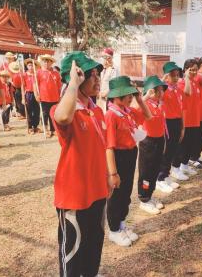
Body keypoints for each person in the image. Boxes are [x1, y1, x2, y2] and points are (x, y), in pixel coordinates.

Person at [51, 51, 107, 276]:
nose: (97, 79)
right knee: (72, 250)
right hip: (74, 195)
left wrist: (108, 176)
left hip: (97, 191)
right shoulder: (65, 111)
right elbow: (63, 117)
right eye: (91, 75)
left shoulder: (95, 111)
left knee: (94, 244)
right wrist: (73, 82)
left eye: (97, 74)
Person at [105, 76, 151, 247]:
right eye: (128, 94)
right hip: (118, 156)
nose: (131, 97)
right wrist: (113, 173)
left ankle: (121, 223)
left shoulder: (127, 111)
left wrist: (140, 98)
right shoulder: (111, 115)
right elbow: (108, 146)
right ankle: (114, 230)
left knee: (126, 193)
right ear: (116, 97)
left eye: (132, 94)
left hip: (131, 153)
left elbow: (147, 115)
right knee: (116, 194)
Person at [138, 75, 168, 214]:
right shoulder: (146, 104)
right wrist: (145, 97)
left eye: (162, 90)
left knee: (155, 169)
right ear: (152, 91)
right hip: (148, 142)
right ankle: (143, 198)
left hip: (159, 141)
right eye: (159, 90)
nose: (162, 93)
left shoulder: (159, 104)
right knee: (146, 171)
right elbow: (135, 110)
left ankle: (150, 195)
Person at [157, 62, 185, 192]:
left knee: (173, 150)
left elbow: (181, 108)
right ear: (166, 76)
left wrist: (183, 127)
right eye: (172, 75)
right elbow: (157, 98)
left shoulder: (178, 89)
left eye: (177, 74)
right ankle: (160, 178)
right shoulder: (163, 89)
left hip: (177, 122)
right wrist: (162, 81)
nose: (175, 77)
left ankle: (166, 175)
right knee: (166, 151)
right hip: (167, 122)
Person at [171, 59, 201, 178]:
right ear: (185, 70)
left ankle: (184, 165)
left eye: (195, 70)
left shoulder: (195, 82)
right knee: (181, 146)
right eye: (191, 69)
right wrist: (187, 77)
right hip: (185, 119)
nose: (194, 72)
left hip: (194, 119)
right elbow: (187, 93)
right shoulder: (182, 82)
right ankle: (176, 168)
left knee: (190, 144)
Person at [36, 54, 61, 138]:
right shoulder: (38, 72)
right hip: (44, 98)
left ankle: (53, 130)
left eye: (48, 61)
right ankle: (45, 128)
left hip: (55, 98)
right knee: (44, 114)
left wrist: (60, 97)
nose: (46, 63)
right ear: (42, 62)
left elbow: (59, 86)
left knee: (53, 114)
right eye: (44, 61)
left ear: (51, 63)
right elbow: (34, 85)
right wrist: (36, 95)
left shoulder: (56, 73)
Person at [97, 48, 117, 112]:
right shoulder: (103, 68)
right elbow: (101, 80)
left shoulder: (114, 68)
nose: (105, 59)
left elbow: (113, 83)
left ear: (111, 57)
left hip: (109, 94)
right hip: (102, 94)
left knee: (107, 111)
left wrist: (106, 93)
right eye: (104, 57)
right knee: (102, 111)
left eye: (107, 57)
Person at [24, 59, 41, 134]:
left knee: (37, 110)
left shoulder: (37, 74)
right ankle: (30, 127)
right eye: (29, 65)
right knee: (29, 110)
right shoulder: (24, 75)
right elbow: (22, 86)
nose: (31, 67)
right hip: (29, 94)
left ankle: (36, 126)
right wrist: (22, 97)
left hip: (36, 94)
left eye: (32, 65)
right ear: (27, 66)